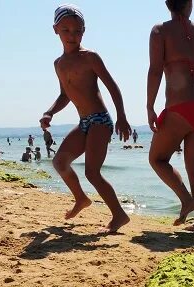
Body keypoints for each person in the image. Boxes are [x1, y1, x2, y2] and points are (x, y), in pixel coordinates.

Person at [40, 4, 132, 233]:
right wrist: (50, 112)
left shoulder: (90, 57)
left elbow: (112, 86)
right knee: (60, 162)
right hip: (84, 123)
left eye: (77, 30)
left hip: (100, 120)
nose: (72, 35)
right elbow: (65, 95)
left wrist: (122, 117)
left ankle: (119, 215)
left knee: (92, 172)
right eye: (66, 30)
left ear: (84, 31)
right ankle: (81, 198)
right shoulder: (58, 64)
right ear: (55, 30)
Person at [147, 0, 194, 234]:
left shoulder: (160, 31)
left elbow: (156, 70)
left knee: (157, 159)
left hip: (181, 106)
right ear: (190, 3)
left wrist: (150, 106)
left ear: (167, 3)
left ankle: (187, 200)